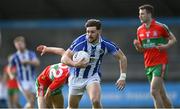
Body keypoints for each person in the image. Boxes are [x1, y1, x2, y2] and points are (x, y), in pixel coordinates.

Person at [61, 19, 127, 108]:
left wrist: (122, 77)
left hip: (92, 77)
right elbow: (64, 58)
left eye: (92, 32)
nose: (89, 35)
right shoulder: (80, 42)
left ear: (99, 31)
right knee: (72, 106)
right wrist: (75, 64)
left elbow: (122, 57)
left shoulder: (105, 44)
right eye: (87, 32)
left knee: (96, 101)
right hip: (76, 78)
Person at [134, 4, 176, 108]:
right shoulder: (139, 30)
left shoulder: (161, 26)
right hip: (148, 64)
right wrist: (137, 46)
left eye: (142, 14)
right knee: (162, 94)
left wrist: (166, 46)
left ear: (149, 14)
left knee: (153, 91)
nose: (140, 16)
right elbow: (142, 50)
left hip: (160, 62)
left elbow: (173, 39)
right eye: (139, 14)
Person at [8, 36, 40, 108]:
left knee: (32, 103)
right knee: (30, 101)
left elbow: (37, 63)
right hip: (22, 81)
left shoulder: (30, 54)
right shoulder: (14, 56)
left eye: (20, 44)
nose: (19, 46)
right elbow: (9, 68)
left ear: (24, 44)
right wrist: (11, 75)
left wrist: (28, 61)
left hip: (32, 80)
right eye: (17, 45)